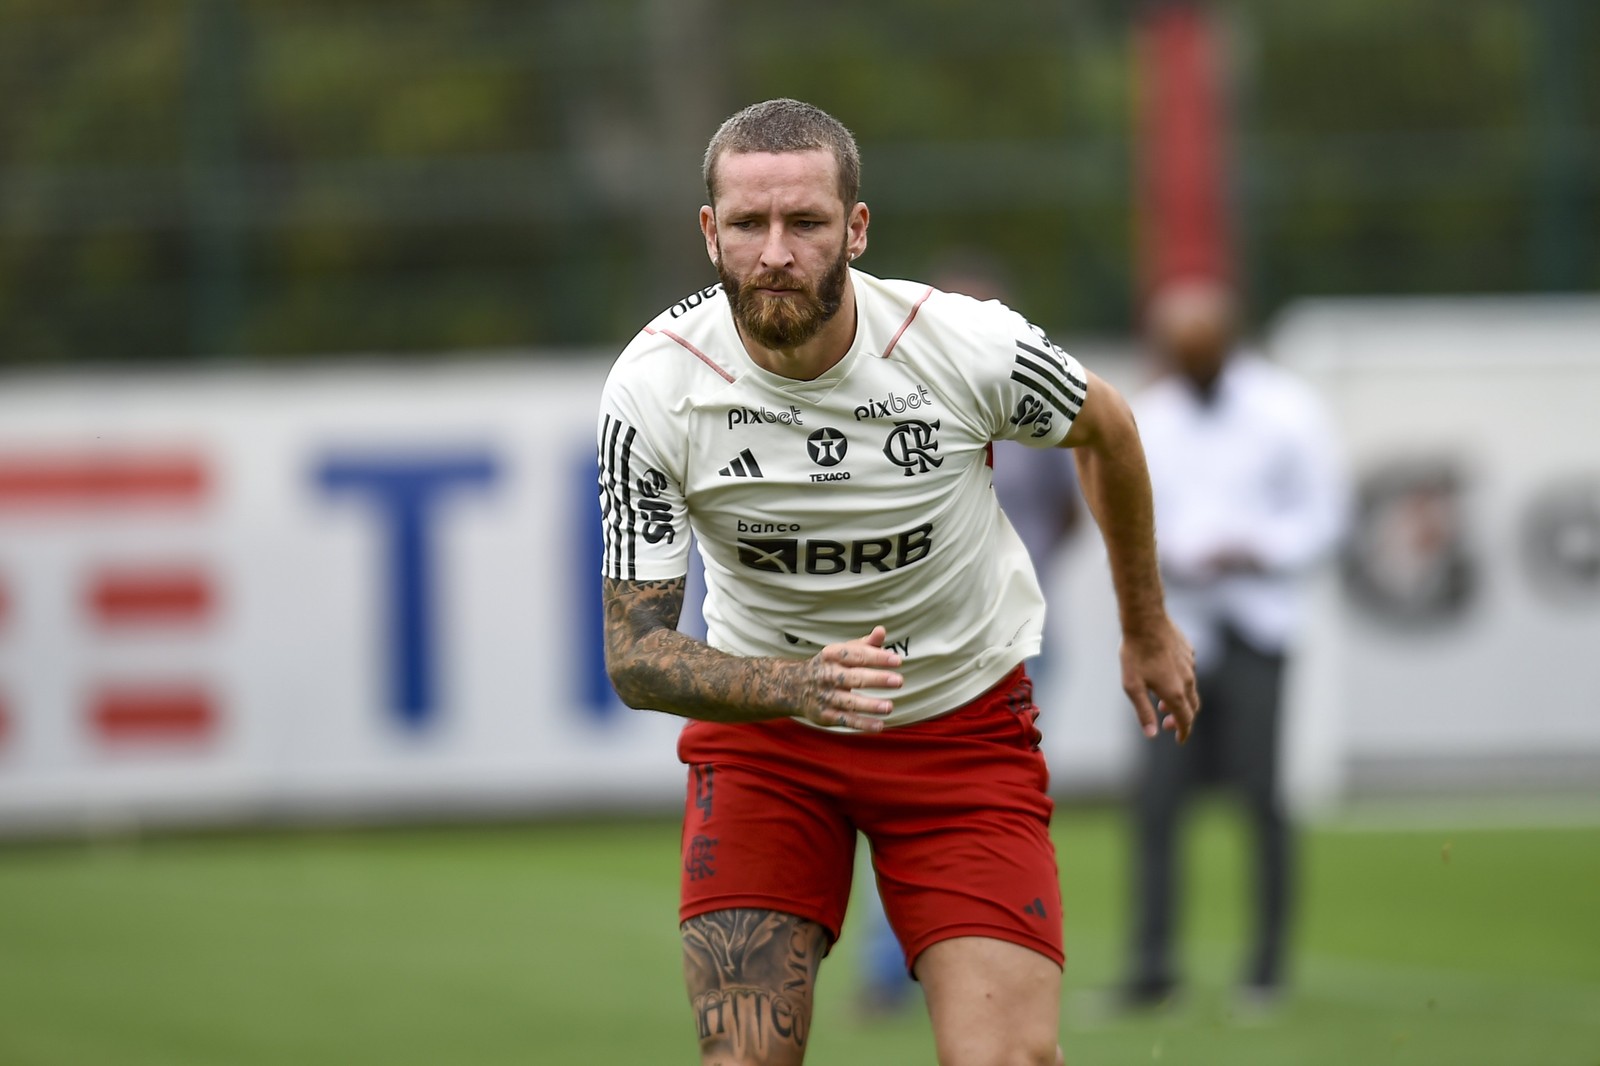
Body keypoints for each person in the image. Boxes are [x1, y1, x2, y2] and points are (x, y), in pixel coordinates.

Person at [596, 98, 1198, 1066]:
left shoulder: (960, 344)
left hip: (961, 726)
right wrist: (802, 686)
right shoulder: (653, 387)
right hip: (767, 744)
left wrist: (1146, 625)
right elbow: (635, 657)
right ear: (710, 232)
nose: (776, 252)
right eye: (748, 225)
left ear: (857, 229)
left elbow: (1110, 430)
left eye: (806, 222)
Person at [854, 254, 1083, 1018]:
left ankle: (969, 955)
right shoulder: (900, 405)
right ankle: (897, 965)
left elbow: (1073, 499)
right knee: (885, 793)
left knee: (988, 794)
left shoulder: (1031, 405)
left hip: (1006, 629)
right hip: (911, 634)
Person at [1118, 275, 1345, 1013]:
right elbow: (1130, 519)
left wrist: (1258, 550)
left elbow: (1327, 517)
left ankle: (1266, 969)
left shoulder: (1288, 410)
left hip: (1257, 626)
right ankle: (1152, 970)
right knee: (1155, 802)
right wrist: (1177, 557)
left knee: (1263, 800)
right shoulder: (1149, 416)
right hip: (1175, 632)